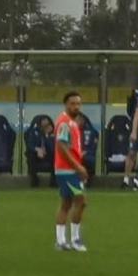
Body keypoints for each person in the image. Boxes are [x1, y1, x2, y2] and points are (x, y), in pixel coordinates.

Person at [54, 92, 89, 252]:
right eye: (73, 103)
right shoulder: (64, 122)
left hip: (67, 169)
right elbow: (61, 146)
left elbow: (68, 146)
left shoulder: (70, 122)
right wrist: (78, 167)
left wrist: (78, 155)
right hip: (67, 170)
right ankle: (74, 239)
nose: (76, 106)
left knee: (66, 204)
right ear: (66, 105)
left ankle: (61, 241)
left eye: (78, 104)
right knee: (81, 201)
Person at [27, 115, 55, 188]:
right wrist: (37, 149)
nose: (46, 127)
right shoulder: (34, 132)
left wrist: (47, 136)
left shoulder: (52, 134)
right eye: (44, 126)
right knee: (31, 156)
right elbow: (30, 145)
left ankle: (53, 182)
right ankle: (34, 181)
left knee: (54, 155)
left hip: (48, 156)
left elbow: (52, 148)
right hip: (37, 156)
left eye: (47, 125)